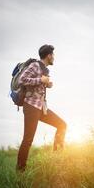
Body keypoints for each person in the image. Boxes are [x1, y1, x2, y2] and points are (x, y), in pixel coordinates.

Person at [16, 44, 67, 172]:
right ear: (49, 55)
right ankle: (20, 172)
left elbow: (40, 84)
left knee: (62, 125)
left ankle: (57, 158)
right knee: (28, 140)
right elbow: (22, 80)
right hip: (31, 106)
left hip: (41, 108)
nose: (54, 57)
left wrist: (47, 84)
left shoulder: (45, 69)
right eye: (53, 55)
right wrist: (40, 80)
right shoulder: (35, 65)